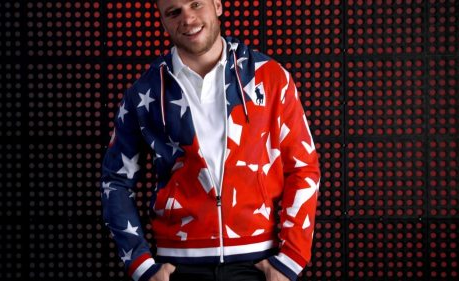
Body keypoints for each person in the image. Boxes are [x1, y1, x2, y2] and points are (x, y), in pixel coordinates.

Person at [101, 0, 320, 280]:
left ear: (217, 5)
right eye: (174, 12)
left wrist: (291, 259)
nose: (188, 19)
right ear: (163, 20)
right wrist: (142, 265)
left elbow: (303, 167)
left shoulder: (270, 77)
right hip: (178, 266)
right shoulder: (144, 93)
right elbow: (115, 181)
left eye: (196, 4)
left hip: (259, 264)